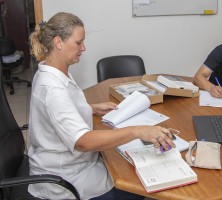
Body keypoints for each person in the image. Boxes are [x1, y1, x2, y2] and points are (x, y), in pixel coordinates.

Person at [28, 12, 175, 200]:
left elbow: (60, 111)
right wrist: (137, 131)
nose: (84, 48)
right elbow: (82, 141)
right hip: (65, 177)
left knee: (128, 163)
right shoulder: (52, 88)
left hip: (72, 163)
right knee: (136, 185)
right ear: (58, 42)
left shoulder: (53, 71)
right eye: (78, 43)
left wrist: (91, 108)